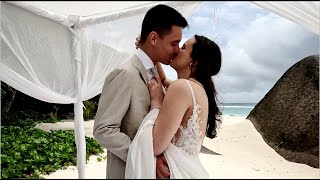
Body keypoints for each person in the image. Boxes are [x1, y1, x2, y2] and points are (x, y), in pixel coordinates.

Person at [93, 4, 189, 179]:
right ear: (153, 38)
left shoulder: (156, 73)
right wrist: (146, 157)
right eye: (174, 43)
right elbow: (103, 129)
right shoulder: (124, 74)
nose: (177, 50)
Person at [125, 34, 222, 178]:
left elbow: (155, 145)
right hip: (188, 170)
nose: (177, 50)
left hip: (173, 171)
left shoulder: (181, 87)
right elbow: (163, 80)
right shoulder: (198, 89)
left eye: (183, 48)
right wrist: (151, 52)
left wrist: (156, 104)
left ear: (194, 61)